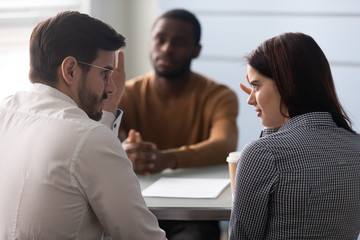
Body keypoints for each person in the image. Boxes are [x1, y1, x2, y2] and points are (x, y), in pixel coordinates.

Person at [0, 11, 166, 240]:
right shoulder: (89, 138)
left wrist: (107, 108)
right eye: (106, 74)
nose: (112, 88)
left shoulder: (6, 112)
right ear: (70, 70)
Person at [119, 9, 238, 240]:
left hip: (195, 214)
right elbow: (99, 136)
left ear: (196, 51)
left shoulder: (219, 95)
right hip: (137, 206)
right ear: (150, 42)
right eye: (160, 39)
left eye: (179, 42)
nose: (166, 48)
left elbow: (224, 144)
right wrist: (123, 152)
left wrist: (167, 159)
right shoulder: (127, 94)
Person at [229, 32, 360, 239]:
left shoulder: (262, 154)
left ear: (285, 83)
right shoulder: (356, 147)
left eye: (256, 85)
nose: (250, 100)